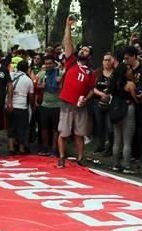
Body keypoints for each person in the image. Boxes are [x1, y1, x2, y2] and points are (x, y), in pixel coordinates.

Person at [55, 15, 97, 168]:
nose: (83, 51)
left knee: (79, 133)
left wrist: (86, 99)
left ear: (89, 56)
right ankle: (61, 157)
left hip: (81, 106)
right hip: (67, 103)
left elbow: (92, 90)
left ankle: (80, 158)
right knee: (64, 133)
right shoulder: (71, 62)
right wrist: (68, 28)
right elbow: (68, 44)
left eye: (86, 51)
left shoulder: (91, 73)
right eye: (82, 49)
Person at [110, 55, 137, 174]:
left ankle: (116, 164)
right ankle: (127, 165)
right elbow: (136, 98)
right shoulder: (130, 84)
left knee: (117, 139)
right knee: (127, 141)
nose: (130, 71)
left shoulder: (114, 83)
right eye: (128, 69)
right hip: (128, 109)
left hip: (115, 109)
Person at [7, 59, 34, 154]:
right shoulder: (28, 80)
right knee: (22, 128)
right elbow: (31, 96)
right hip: (22, 107)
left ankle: (11, 148)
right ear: (27, 69)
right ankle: (21, 148)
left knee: (11, 127)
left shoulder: (10, 75)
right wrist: (32, 106)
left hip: (10, 106)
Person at [36, 55, 61, 155]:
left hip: (57, 105)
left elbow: (65, 87)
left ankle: (54, 149)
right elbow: (36, 84)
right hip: (45, 105)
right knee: (44, 128)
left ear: (54, 64)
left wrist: (60, 83)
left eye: (50, 63)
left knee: (56, 129)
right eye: (46, 64)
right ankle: (45, 147)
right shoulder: (42, 74)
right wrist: (40, 86)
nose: (48, 65)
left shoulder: (60, 73)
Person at [92, 52, 115, 155]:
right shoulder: (97, 72)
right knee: (100, 125)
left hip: (111, 103)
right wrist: (101, 94)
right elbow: (92, 87)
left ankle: (110, 146)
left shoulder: (115, 73)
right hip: (98, 102)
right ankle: (100, 145)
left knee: (110, 126)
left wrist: (109, 95)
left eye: (109, 60)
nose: (107, 62)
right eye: (105, 60)